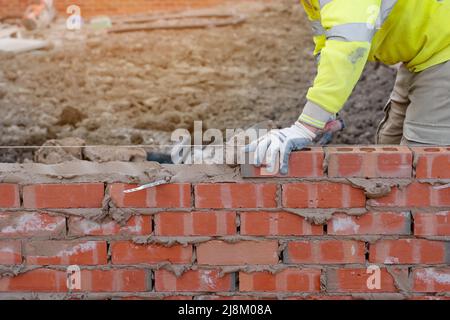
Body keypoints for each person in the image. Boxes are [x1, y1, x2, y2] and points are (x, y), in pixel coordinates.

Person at [244, 0, 450, 175]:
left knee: (423, 162)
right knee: (391, 148)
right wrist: (326, 112)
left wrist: (306, 126)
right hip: (424, 49)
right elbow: (327, 41)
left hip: (443, 49)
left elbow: (350, 45)